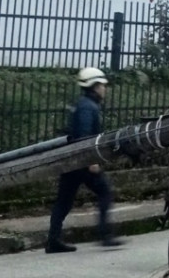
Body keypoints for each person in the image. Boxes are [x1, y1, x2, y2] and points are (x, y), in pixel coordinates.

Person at [45, 67, 122, 253]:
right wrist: (91, 161)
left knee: (64, 201)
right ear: (94, 86)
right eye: (102, 85)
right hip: (82, 161)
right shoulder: (88, 107)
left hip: (72, 160)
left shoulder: (82, 104)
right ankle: (105, 234)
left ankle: (53, 240)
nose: (105, 89)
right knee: (104, 191)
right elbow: (84, 135)